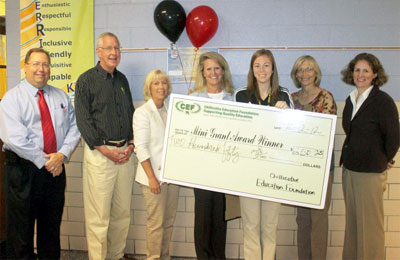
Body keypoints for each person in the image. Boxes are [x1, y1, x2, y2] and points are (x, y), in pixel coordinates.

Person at [0, 48, 80, 259]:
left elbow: (74, 127)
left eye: (45, 64)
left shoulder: (60, 96)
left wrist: (62, 154)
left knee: (51, 229)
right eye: (35, 64)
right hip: (23, 171)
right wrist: (46, 161)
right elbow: (14, 139)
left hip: (54, 170)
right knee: (21, 233)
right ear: (25, 67)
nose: (41, 69)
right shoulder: (12, 99)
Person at [75, 32, 136, 260]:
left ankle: (116, 256)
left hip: (125, 155)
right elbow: (83, 120)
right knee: (99, 217)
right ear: (98, 51)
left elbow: (130, 113)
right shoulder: (86, 80)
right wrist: (104, 150)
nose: (113, 53)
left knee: (121, 214)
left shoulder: (122, 80)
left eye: (117, 48)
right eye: (108, 48)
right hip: (101, 156)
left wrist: (131, 143)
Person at [235, 49, 293, 260]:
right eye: (257, 65)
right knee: (251, 225)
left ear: (273, 68)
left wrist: (288, 114)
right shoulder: (241, 95)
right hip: (249, 169)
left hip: (273, 170)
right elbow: (236, 131)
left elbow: (292, 135)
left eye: (266, 65)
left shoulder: (284, 95)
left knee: (269, 225)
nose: (262, 70)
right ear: (252, 69)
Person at [340, 53, 399, 260]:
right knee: (354, 225)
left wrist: (385, 160)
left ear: (375, 74)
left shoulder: (382, 101)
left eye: (366, 70)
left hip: (370, 173)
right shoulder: (351, 99)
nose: (360, 74)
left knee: (371, 229)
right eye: (357, 70)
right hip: (350, 170)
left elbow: (393, 137)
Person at [290, 55, 336, 260]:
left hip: (321, 167)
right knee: (302, 219)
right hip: (298, 167)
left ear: (316, 73)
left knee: (318, 218)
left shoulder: (326, 97)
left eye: (309, 69)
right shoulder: (291, 99)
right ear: (295, 74)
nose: (304, 74)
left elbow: (324, 132)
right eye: (300, 70)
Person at [190, 52, 235, 260]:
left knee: (220, 219)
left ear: (223, 71)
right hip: (200, 169)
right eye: (209, 68)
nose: (213, 72)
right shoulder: (193, 99)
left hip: (224, 169)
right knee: (202, 219)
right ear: (203, 72)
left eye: (217, 68)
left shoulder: (234, 99)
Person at [133, 70, 179, 260]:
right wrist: (152, 178)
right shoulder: (142, 113)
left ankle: (164, 256)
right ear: (149, 88)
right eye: (156, 83)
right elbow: (140, 148)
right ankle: (153, 257)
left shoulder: (170, 109)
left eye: (164, 83)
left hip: (171, 178)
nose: (161, 87)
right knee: (156, 224)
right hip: (152, 178)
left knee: (168, 222)